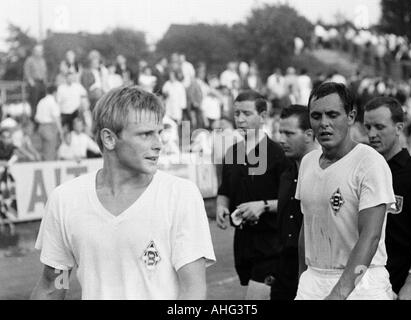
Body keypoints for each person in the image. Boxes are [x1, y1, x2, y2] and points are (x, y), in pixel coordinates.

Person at [31, 85, 215, 300]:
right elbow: (53, 286)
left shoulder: (180, 195)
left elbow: (192, 291)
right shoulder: (65, 200)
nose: (158, 144)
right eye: (146, 134)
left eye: (159, 133)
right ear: (109, 139)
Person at [296, 82, 395, 300]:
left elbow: (371, 236)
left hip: (363, 283)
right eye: (316, 116)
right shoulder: (307, 162)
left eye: (332, 115)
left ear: (350, 117)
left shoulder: (369, 163)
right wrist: (303, 278)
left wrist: (339, 293)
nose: (324, 124)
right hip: (313, 280)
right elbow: (307, 226)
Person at [216, 90, 289, 300]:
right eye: (236, 113)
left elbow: (293, 200)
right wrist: (222, 206)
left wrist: (263, 206)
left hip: (273, 245)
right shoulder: (232, 153)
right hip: (244, 244)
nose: (240, 119)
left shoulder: (279, 154)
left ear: (263, 116)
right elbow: (224, 190)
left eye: (246, 113)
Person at [364, 96, 411, 300]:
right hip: (365, 284)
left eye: (379, 127)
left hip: (400, 288)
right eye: (368, 127)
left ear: (399, 127)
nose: (372, 134)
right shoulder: (364, 171)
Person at [270, 105, 317, 300]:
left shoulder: (323, 173)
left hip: (314, 272)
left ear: (308, 134)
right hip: (283, 272)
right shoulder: (286, 175)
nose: (282, 139)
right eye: (280, 132)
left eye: (289, 133)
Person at [35, 85, 63, 161]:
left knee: (44, 151)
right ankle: (49, 171)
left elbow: (36, 118)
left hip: (41, 127)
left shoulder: (41, 101)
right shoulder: (52, 102)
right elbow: (56, 118)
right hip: (49, 128)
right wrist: (61, 132)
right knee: (50, 152)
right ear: (54, 92)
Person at [23, 44, 47, 119]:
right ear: (34, 51)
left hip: (42, 83)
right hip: (34, 83)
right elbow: (26, 71)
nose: (40, 52)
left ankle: (41, 118)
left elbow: (45, 72)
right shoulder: (29, 60)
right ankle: (33, 120)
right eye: (38, 51)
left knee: (43, 101)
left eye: (41, 51)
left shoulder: (42, 60)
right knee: (34, 103)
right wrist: (31, 81)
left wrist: (45, 82)